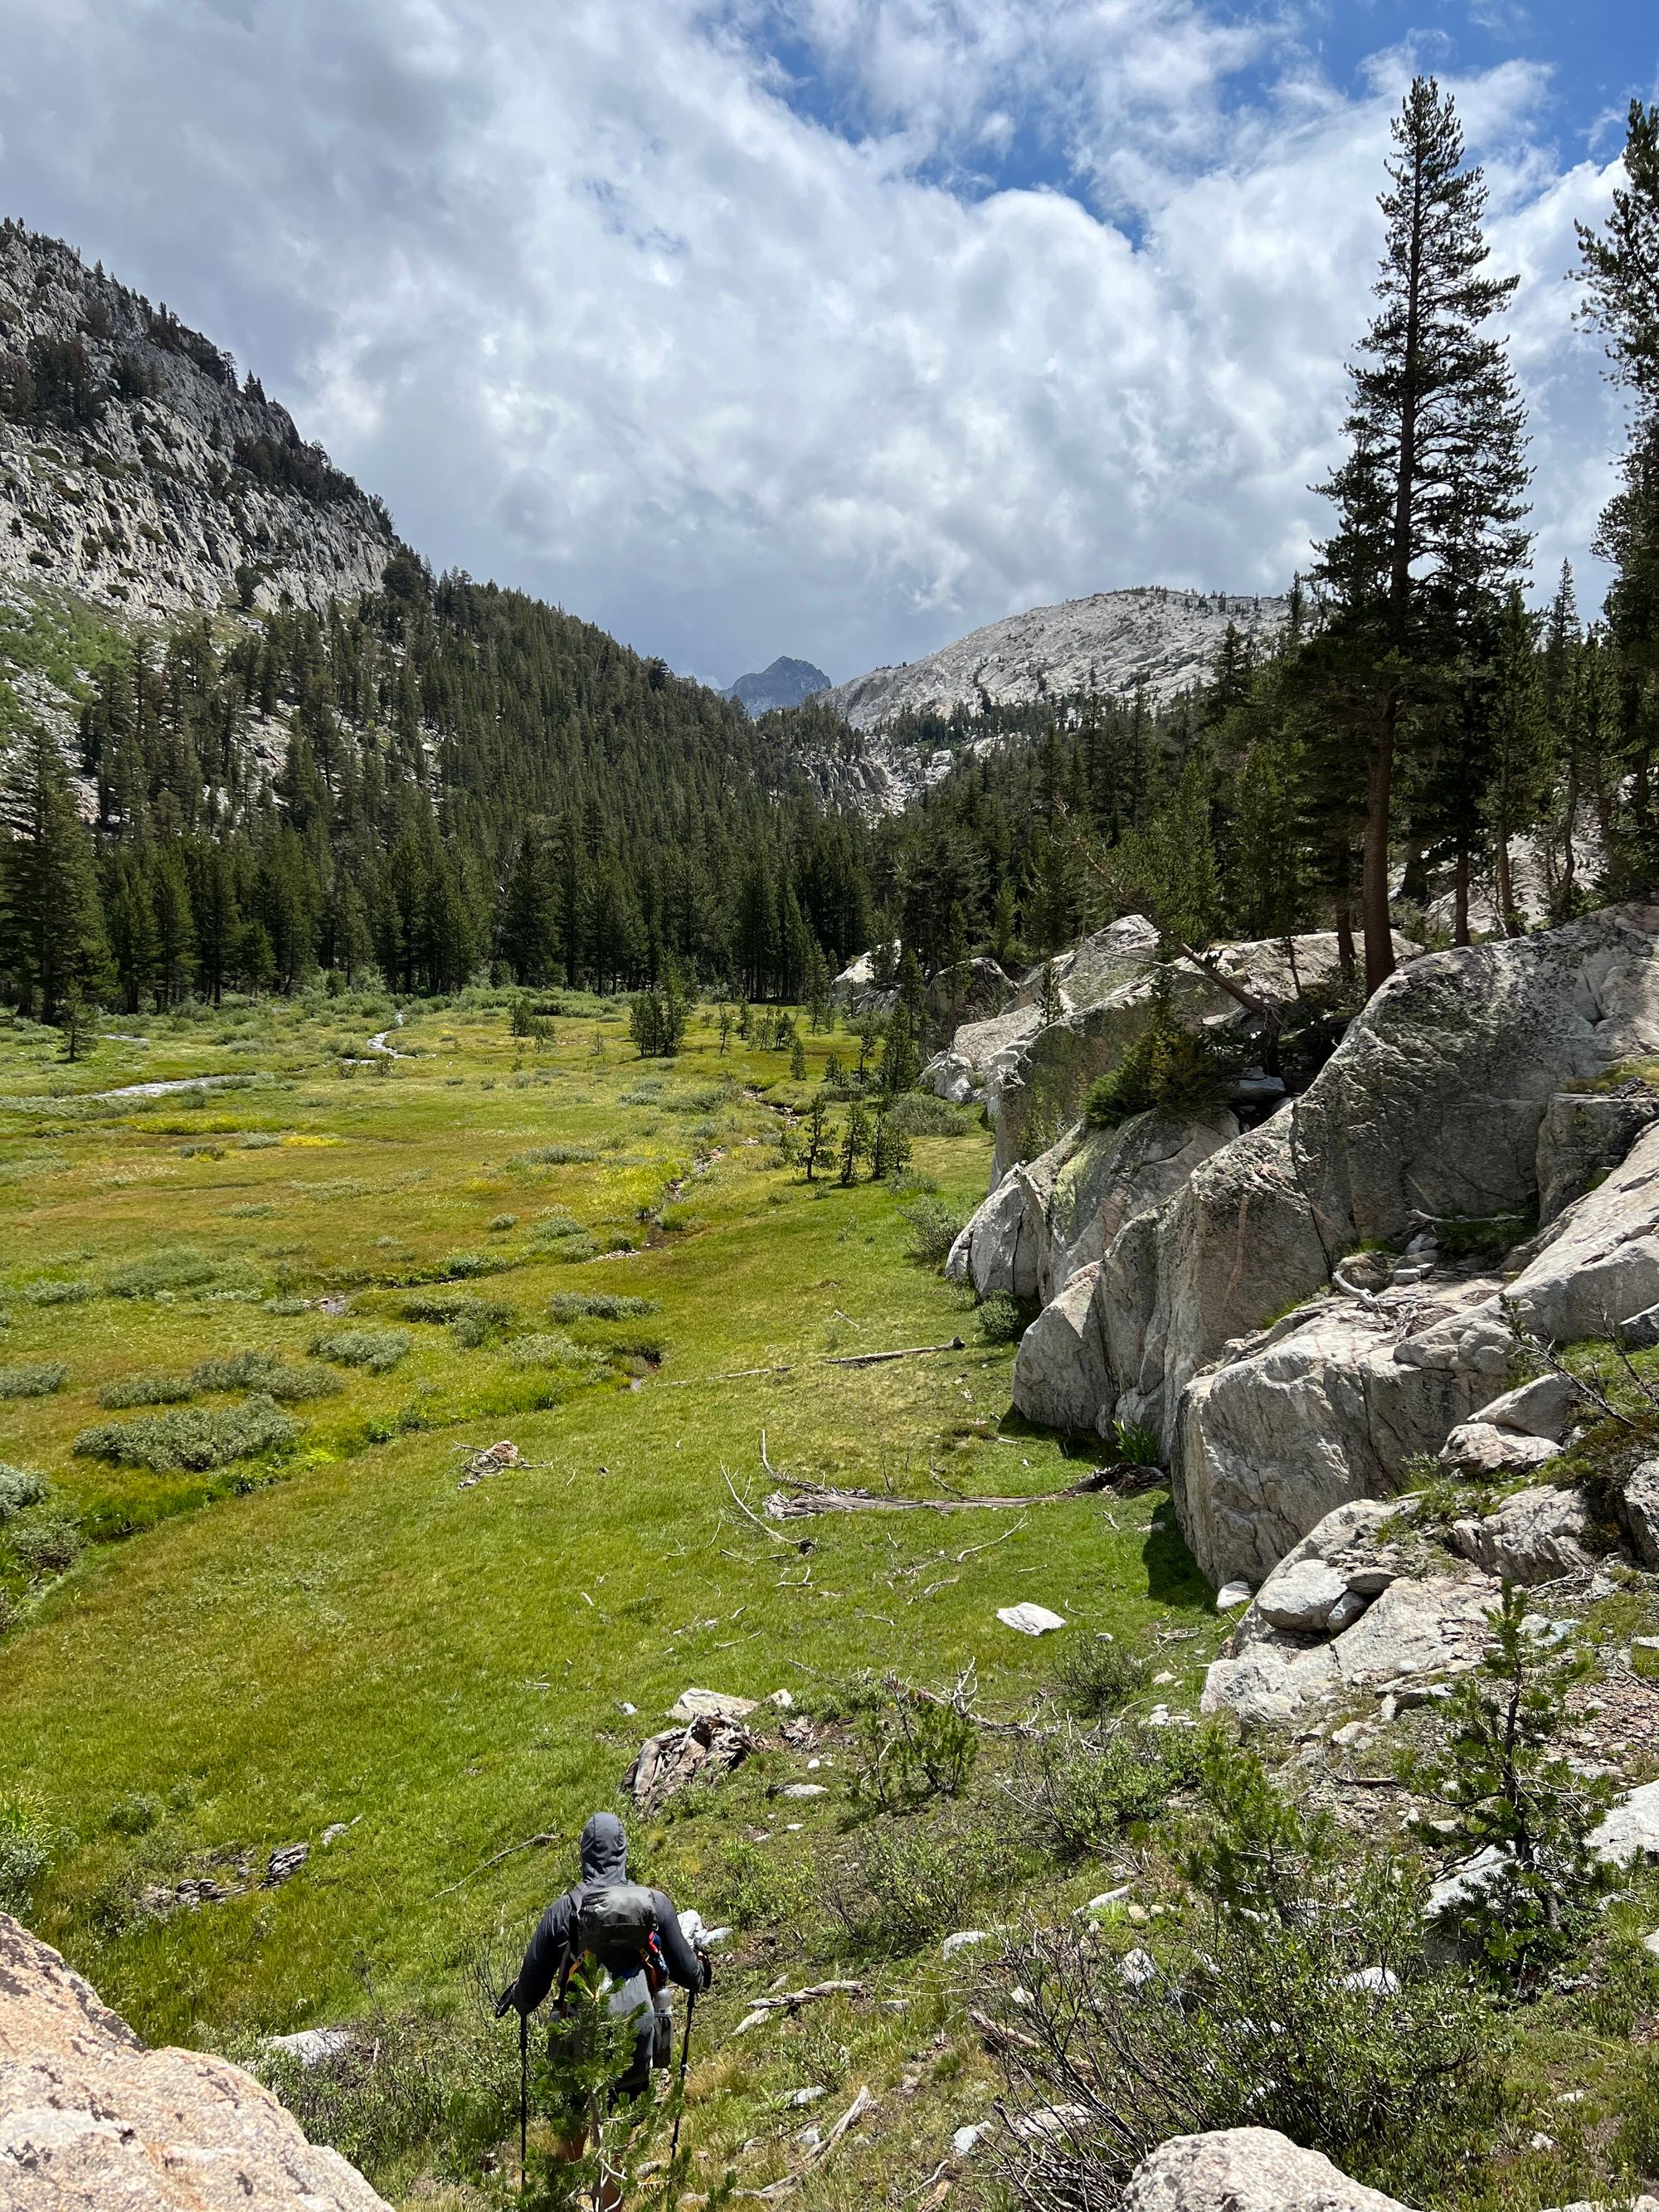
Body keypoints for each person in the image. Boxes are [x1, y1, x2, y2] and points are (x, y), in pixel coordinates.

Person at [499, 1811, 710, 2110]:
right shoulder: (654, 1903)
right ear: (624, 1850)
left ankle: (575, 2154)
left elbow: (531, 1992)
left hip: (579, 2040)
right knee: (626, 2118)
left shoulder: (564, 1910)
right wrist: (703, 1967)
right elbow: (690, 1976)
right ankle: (618, 2157)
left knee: (575, 2122)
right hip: (635, 2035)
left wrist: (517, 1999)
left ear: (584, 1855)